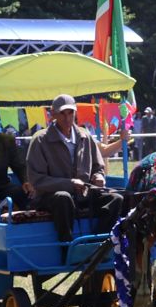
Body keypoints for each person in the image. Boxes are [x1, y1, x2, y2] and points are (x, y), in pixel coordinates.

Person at [25, 94, 123, 242]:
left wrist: (99, 176)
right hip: (50, 197)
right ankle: (66, 248)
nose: (67, 117)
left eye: (71, 112)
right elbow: (37, 180)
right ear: (53, 115)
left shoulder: (85, 136)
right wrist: (69, 184)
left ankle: (98, 246)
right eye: (62, 113)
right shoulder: (40, 140)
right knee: (63, 197)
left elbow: (98, 167)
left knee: (116, 199)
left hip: (84, 193)